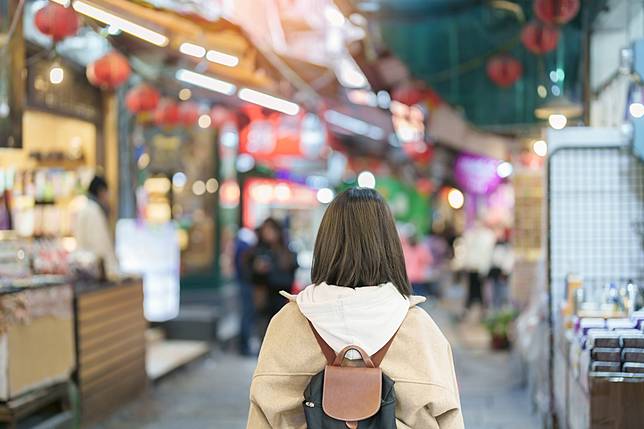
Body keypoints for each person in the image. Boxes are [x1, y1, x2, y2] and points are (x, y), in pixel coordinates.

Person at [247, 188, 463, 428]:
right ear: (389, 245)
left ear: (326, 244)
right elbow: (449, 419)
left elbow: (261, 416)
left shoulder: (287, 324)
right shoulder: (420, 331)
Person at [245, 218, 298, 325]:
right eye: (265, 230)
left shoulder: (286, 252)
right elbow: (248, 275)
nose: (268, 234)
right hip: (263, 301)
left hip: (281, 300)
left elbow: (290, 276)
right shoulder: (257, 250)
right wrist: (256, 269)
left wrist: (272, 270)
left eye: (271, 230)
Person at [72, 176, 119, 279]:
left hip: (87, 268)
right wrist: (111, 268)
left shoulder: (85, 208)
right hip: (95, 269)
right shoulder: (94, 211)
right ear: (101, 191)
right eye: (107, 193)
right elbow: (101, 244)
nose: (108, 197)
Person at [460, 220, 495, 315]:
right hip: (472, 268)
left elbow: (487, 254)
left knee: (482, 292)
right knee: (472, 291)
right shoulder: (470, 235)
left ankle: (483, 310)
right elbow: (466, 251)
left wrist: (484, 268)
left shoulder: (487, 236)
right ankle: (470, 310)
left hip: (481, 268)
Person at [235, 227, 258, 356]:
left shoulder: (241, 245)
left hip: (245, 283)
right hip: (246, 284)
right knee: (247, 314)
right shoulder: (245, 247)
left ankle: (244, 346)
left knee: (246, 314)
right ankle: (244, 346)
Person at [401, 228, 433, 296]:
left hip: (417, 279)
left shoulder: (420, 249)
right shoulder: (405, 249)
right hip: (409, 279)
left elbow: (428, 261)